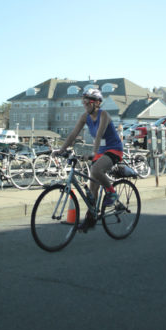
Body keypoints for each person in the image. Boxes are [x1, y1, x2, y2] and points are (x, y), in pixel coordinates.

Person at [58, 87, 123, 232]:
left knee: (95, 169)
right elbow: (73, 135)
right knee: (93, 187)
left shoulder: (104, 115)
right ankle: (90, 219)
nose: (85, 104)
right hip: (100, 151)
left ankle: (112, 192)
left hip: (114, 149)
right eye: (84, 101)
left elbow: (99, 135)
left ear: (97, 103)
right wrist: (61, 150)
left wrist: (93, 153)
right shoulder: (84, 117)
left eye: (88, 102)